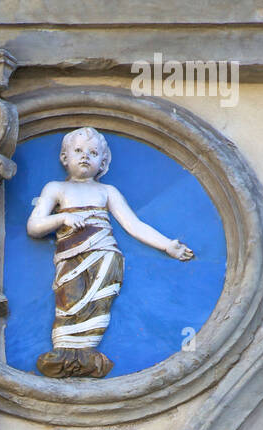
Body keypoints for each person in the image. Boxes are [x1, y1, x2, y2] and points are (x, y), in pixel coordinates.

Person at [27, 127, 193, 378]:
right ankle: (63, 355)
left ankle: (87, 355)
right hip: (70, 258)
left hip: (104, 256)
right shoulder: (56, 188)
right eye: (79, 150)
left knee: (97, 304)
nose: (85, 156)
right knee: (69, 302)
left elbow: (133, 225)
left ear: (102, 162)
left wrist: (167, 245)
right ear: (65, 157)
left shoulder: (107, 191)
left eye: (93, 153)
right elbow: (34, 226)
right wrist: (63, 218)